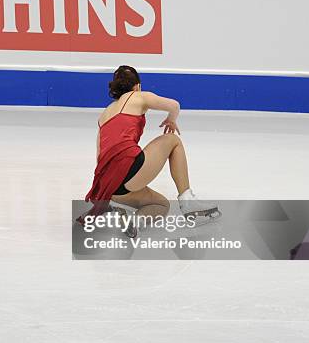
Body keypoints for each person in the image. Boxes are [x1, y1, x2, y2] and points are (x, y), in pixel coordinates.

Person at [85, 65, 219, 237]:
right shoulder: (139, 96)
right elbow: (174, 105)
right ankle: (188, 203)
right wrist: (171, 120)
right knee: (173, 140)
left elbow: (100, 157)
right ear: (137, 86)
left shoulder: (104, 115)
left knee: (162, 205)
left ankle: (133, 220)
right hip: (128, 168)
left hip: (109, 186)